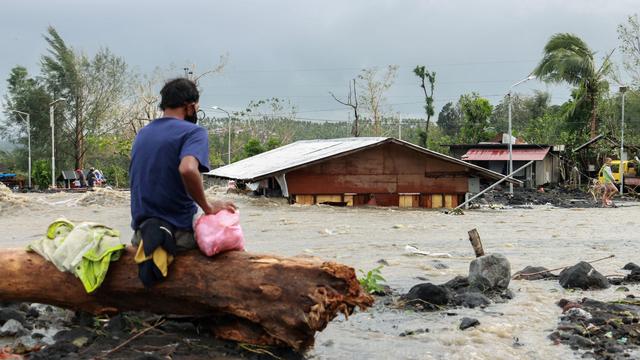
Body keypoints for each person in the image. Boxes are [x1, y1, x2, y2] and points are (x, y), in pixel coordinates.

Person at [129, 78, 236, 251]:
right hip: (178, 235)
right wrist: (208, 206)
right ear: (190, 106)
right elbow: (187, 169)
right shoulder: (194, 132)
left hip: (142, 235)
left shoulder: (143, 134)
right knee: (227, 238)